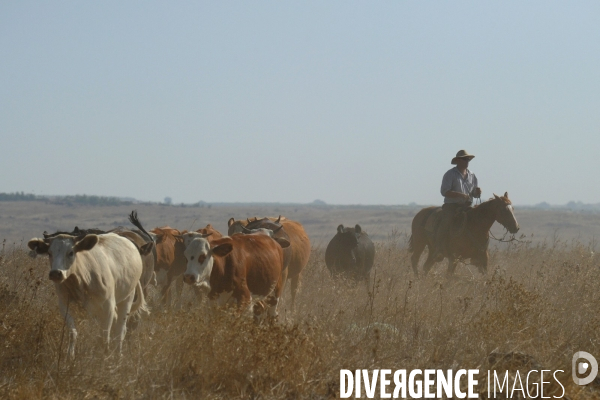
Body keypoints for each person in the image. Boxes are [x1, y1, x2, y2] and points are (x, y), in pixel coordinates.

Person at [433, 150, 482, 259]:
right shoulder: (450, 174)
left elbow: (474, 193)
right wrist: (460, 195)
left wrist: (477, 193)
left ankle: (477, 249)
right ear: (458, 160)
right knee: (446, 222)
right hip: (452, 206)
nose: (467, 161)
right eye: (465, 159)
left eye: (468, 159)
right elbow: (444, 191)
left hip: (467, 206)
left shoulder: (472, 175)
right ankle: (439, 249)